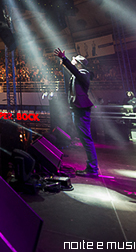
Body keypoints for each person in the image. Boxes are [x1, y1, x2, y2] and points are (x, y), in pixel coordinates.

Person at [53, 48, 99, 177]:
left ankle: (93, 168)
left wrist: (64, 59)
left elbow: (74, 71)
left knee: (86, 138)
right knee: (84, 137)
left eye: (74, 60)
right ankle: (91, 167)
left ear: (79, 63)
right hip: (77, 109)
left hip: (81, 109)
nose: (73, 61)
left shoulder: (84, 73)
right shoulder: (78, 73)